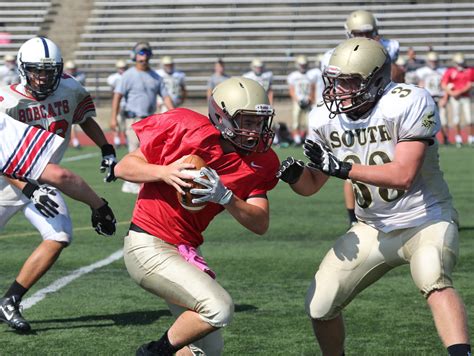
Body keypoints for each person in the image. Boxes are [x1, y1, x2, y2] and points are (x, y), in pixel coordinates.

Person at [277, 38, 471, 356]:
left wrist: (342, 169)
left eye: (350, 82)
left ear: (377, 79)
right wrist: (295, 176)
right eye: (335, 82)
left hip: (426, 219)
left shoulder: (408, 101)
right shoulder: (324, 117)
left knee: (432, 276)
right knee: (320, 303)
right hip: (372, 227)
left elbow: (403, 175)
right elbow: (312, 185)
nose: (339, 90)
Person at [114, 77, 279, 355]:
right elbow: (124, 167)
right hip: (148, 244)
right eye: (247, 122)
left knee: (207, 350)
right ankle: (155, 352)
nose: (255, 131)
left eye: (260, 122)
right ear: (222, 117)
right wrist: (164, 172)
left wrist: (226, 197)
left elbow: (260, 223)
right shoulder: (186, 127)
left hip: (186, 249)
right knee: (219, 308)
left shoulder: (260, 162)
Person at [0, 36, 117, 332]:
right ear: (22, 69)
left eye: (49, 71)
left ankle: (11, 300)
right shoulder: (6, 100)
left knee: (60, 234)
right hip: (7, 179)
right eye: (36, 71)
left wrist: (105, 147)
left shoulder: (70, 88)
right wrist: (27, 188)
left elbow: (83, 118)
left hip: (43, 176)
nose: (43, 77)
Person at [320, 9, 400, 228]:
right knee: (350, 168)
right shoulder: (334, 56)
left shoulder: (389, 48)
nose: (362, 37)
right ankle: (354, 219)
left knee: (392, 160)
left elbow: (398, 74)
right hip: (353, 113)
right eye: (357, 33)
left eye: (367, 32)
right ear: (348, 33)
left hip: (384, 110)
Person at [110, 41, 174, 194]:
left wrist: (174, 113)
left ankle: (142, 182)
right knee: (134, 150)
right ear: (135, 56)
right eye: (140, 53)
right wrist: (113, 117)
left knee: (148, 152)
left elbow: (165, 97)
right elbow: (117, 96)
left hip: (151, 120)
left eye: (145, 54)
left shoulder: (156, 77)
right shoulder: (127, 75)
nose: (143, 57)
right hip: (133, 119)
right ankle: (130, 182)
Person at [441, 52, 474, 147]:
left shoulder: (470, 70)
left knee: (470, 118)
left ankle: (471, 138)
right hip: (454, 98)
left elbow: (470, 84)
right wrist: (452, 93)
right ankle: (458, 138)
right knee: (456, 118)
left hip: (466, 97)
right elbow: (444, 84)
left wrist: (458, 92)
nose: (460, 65)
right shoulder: (450, 71)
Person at [416, 51, 449, 144]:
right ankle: (430, 138)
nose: (433, 63)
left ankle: (445, 138)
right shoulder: (422, 71)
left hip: (440, 96)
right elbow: (420, 85)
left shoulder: (443, 70)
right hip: (429, 97)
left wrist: (445, 97)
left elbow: (445, 85)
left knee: (443, 119)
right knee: (428, 119)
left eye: (435, 61)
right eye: (431, 61)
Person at [287, 55, 316, 145]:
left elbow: (313, 89)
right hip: (297, 101)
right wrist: (297, 100)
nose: (303, 66)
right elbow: (291, 90)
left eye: (304, 64)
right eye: (301, 65)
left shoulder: (311, 74)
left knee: (309, 121)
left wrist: (310, 99)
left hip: (308, 101)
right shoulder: (293, 76)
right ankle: (297, 139)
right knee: (296, 121)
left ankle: (308, 139)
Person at [64, 60, 87, 149]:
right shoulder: (65, 77)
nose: (71, 71)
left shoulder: (79, 77)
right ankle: (74, 141)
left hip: (77, 101)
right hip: (67, 102)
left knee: (75, 123)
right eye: (70, 69)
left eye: (73, 69)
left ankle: (75, 141)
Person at [107, 59, 128, 148]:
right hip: (118, 103)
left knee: (127, 124)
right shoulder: (113, 78)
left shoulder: (129, 76)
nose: (122, 70)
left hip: (127, 103)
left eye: (124, 68)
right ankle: (117, 140)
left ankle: (127, 140)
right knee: (117, 122)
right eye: (121, 68)